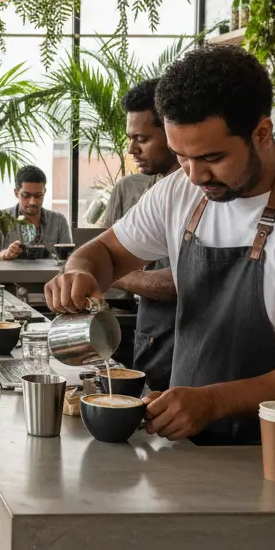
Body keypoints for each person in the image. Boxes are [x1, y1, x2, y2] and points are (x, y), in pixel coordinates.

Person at [45, 44, 275, 446]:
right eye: (181, 156)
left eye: (212, 158)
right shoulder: (179, 192)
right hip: (186, 452)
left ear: (262, 133)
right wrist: (80, 270)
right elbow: (106, 252)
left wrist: (215, 401)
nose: (195, 175)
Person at [100, 79, 180, 392]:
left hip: (177, 347)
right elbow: (104, 248)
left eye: (142, 138)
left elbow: (178, 282)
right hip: (152, 335)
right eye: (130, 138)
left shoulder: (199, 192)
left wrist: (111, 273)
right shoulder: (153, 189)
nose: (132, 149)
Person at [0, 165, 72, 259]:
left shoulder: (58, 221)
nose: (32, 202)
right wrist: (4, 255)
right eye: (26, 195)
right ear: (16, 193)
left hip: (51, 274)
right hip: (10, 274)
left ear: (44, 192)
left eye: (38, 195)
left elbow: (70, 258)